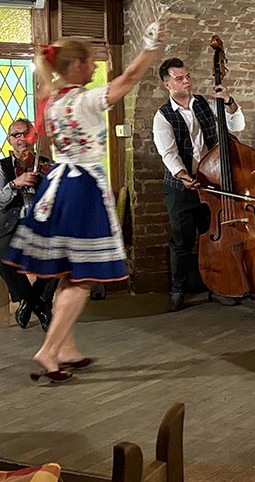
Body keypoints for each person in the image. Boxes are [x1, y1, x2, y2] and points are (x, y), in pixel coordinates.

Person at [3, 22, 166, 382]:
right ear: (75, 64)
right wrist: (150, 46)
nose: (94, 67)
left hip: (59, 185)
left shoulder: (52, 101)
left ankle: (66, 348)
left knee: (68, 271)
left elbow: (54, 82)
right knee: (83, 277)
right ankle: (48, 351)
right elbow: (129, 78)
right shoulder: (85, 100)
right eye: (90, 61)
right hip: (82, 189)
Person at [153, 57, 245, 312]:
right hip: (180, 187)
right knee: (182, 242)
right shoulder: (162, 116)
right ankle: (178, 291)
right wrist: (183, 175)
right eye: (180, 78)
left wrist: (229, 102)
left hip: (211, 183)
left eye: (188, 76)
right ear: (167, 84)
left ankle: (217, 288)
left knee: (212, 240)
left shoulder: (205, 103)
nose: (187, 81)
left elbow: (237, 126)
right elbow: (168, 153)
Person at [0, 118, 58, 330]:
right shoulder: (2, 167)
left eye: (27, 134)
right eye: (17, 135)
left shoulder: (45, 164)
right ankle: (38, 304)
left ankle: (32, 302)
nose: (22, 139)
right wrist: (15, 183)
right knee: (3, 259)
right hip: (12, 225)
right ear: (9, 141)